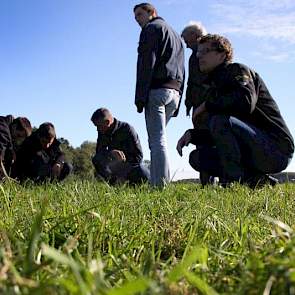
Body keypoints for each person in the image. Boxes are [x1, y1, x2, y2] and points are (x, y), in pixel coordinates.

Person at [177, 34, 294, 188]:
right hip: (250, 147)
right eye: (199, 52)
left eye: (206, 51)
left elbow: (245, 102)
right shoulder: (214, 88)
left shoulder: (237, 70)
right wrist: (193, 135)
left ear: (222, 55)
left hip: (276, 149)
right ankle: (256, 180)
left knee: (219, 120)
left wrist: (207, 105)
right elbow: (223, 135)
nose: (199, 56)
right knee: (198, 157)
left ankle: (234, 183)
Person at [134, 3, 185, 187]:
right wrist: (180, 97)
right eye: (135, 16)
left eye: (140, 14)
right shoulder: (176, 36)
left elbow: (146, 64)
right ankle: (155, 182)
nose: (137, 19)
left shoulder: (151, 29)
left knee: (157, 140)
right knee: (157, 139)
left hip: (157, 91)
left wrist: (140, 97)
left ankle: (159, 186)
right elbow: (182, 68)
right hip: (175, 93)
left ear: (152, 12)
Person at [91, 108, 149, 185]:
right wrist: (110, 153)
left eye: (99, 126)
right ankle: (114, 184)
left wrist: (123, 159)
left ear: (107, 122)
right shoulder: (102, 132)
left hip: (130, 167)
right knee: (97, 159)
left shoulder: (127, 129)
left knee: (143, 172)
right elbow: (99, 152)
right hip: (114, 167)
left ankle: (132, 185)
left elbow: (138, 157)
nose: (97, 129)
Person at [0, 115, 32, 179]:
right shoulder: (3, 130)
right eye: (18, 135)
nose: (17, 139)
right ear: (14, 126)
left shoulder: (6, 125)